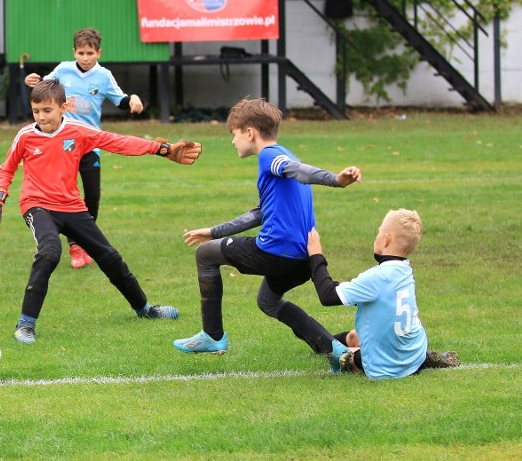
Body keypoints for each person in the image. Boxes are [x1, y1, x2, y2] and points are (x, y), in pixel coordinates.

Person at [0, 78, 202, 344]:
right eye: (36, 111)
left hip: (72, 206)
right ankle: (25, 324)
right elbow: (6, 168)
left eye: (47, 111)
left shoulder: (78, 130)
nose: (41, 117)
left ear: (64, 107)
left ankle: (144, 309)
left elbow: (115, 141)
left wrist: (159, 148)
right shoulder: (26, 136)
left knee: (109, 257)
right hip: (37, 205)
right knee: (50, 251)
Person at [173, 98, 362, 355]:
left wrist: (336, 180)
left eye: (234, 134)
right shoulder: (284, 153)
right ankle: (335, 350)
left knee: (205, 255)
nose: (232, 141)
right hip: (304, 258)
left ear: (250, 132)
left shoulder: (270, 157)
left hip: (276, 252)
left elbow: (295, 170)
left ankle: (212, 335)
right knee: (268, 302)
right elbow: (261, 213)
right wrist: (214, 231)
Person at [24, 28, 144, 269]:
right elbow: (44, 89)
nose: (86, 57)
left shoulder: (103, 75)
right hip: (63, 143)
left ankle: (83, 241)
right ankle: (75, 246)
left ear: (98, 52)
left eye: (90, 53)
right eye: (81, 52)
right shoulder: (63, 70)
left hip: (90, 143)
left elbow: (118, 99)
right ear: (74, 52)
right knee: (66, 195)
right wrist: (32, 81)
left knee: (92, 196)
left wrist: (132, 98)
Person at [307, 209, 460, 379]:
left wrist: (315, 255)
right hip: (416, 352)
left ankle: (336, 350)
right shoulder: (405, 271)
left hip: (387, 366)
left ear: (386, 239)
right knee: (353, 336)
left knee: (342, 356)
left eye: (379, 232)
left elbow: (328, 295)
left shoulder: (378, 277)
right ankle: (424, 358)